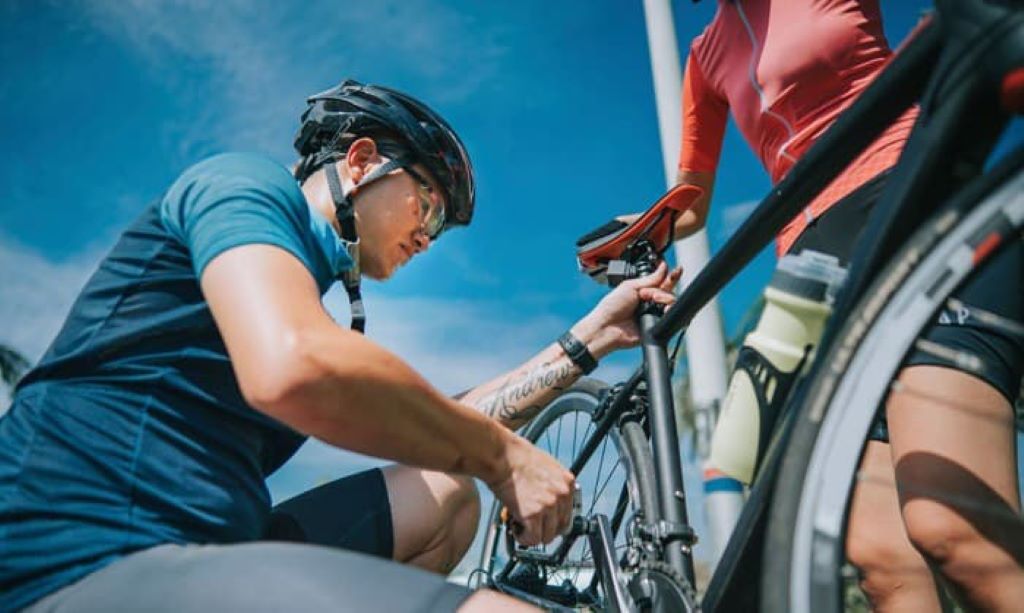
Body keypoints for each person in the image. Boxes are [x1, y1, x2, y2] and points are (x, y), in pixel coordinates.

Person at [0, 79, 681, 612]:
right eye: (430, 206)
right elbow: (295, 365)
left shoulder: (300, 293)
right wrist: (505, 456)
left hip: (210, 545)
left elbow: (434, 424)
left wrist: (589, 339)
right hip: (82, 558)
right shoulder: (245, 186)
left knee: (445, 495)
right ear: (360, 162)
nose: (429, 236)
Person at [611, 1, 1023, 610]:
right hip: (809, 269)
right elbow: (692, 198)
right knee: (881, 562)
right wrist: (632, 234)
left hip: (905, 206)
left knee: (953, 528)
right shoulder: (704, 57)